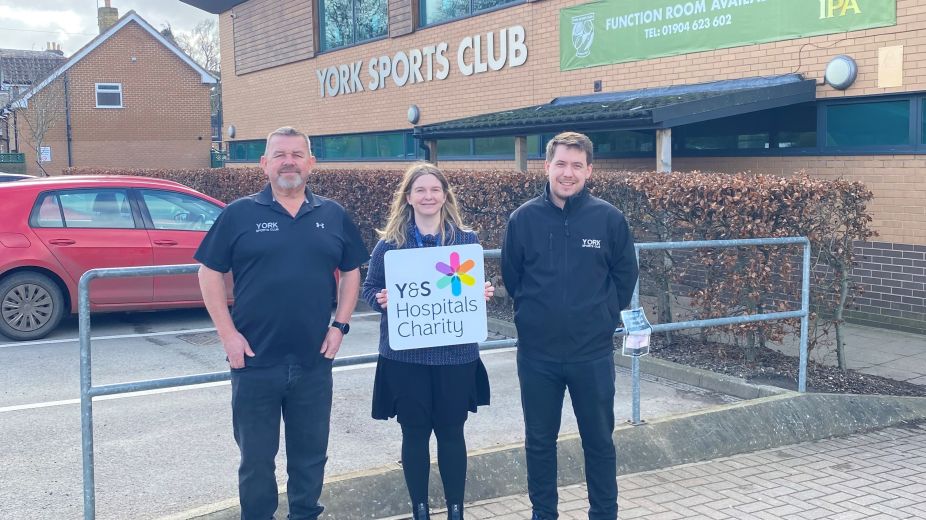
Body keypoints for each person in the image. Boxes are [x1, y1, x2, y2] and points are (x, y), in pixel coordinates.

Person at [195, 126, 369, 519]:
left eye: (296, 154)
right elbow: (208, 273)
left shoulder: (332, 215)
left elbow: (352, 270)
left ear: (311, 163)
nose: (288, 161)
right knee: (256, 463)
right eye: (279, 155)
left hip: (313, 363)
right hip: (254, 362)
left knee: (310, 460)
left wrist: (339, 327)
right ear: (264, 164)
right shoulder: (240, 214)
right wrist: (228, 336)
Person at [501, 132, 639, 520]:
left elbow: (624, 276)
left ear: (589, 170)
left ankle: (604, 513)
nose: (568, 172)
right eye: (561, 164)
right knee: (540, 442)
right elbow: (513, 279)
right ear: (547, 166)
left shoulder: (609, 219)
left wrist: (603, 316)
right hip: (537, 356)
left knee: (598, 441)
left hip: (591, 355)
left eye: (577, 165)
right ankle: (544, 514)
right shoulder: (523, 219)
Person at [362, 162, 494, 520]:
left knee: (452, 433)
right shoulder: (390, 245)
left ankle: (455, 510)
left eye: (435, 189)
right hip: (406, 359)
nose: (428, 196)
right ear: (408, 197)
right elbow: (369, 289)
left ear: (445, 195)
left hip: (456, 357)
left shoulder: (466, 241)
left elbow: (473, 289)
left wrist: (482, 292)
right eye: (420, 190)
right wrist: (380, 300)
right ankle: (420, 509)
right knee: (415, 435)